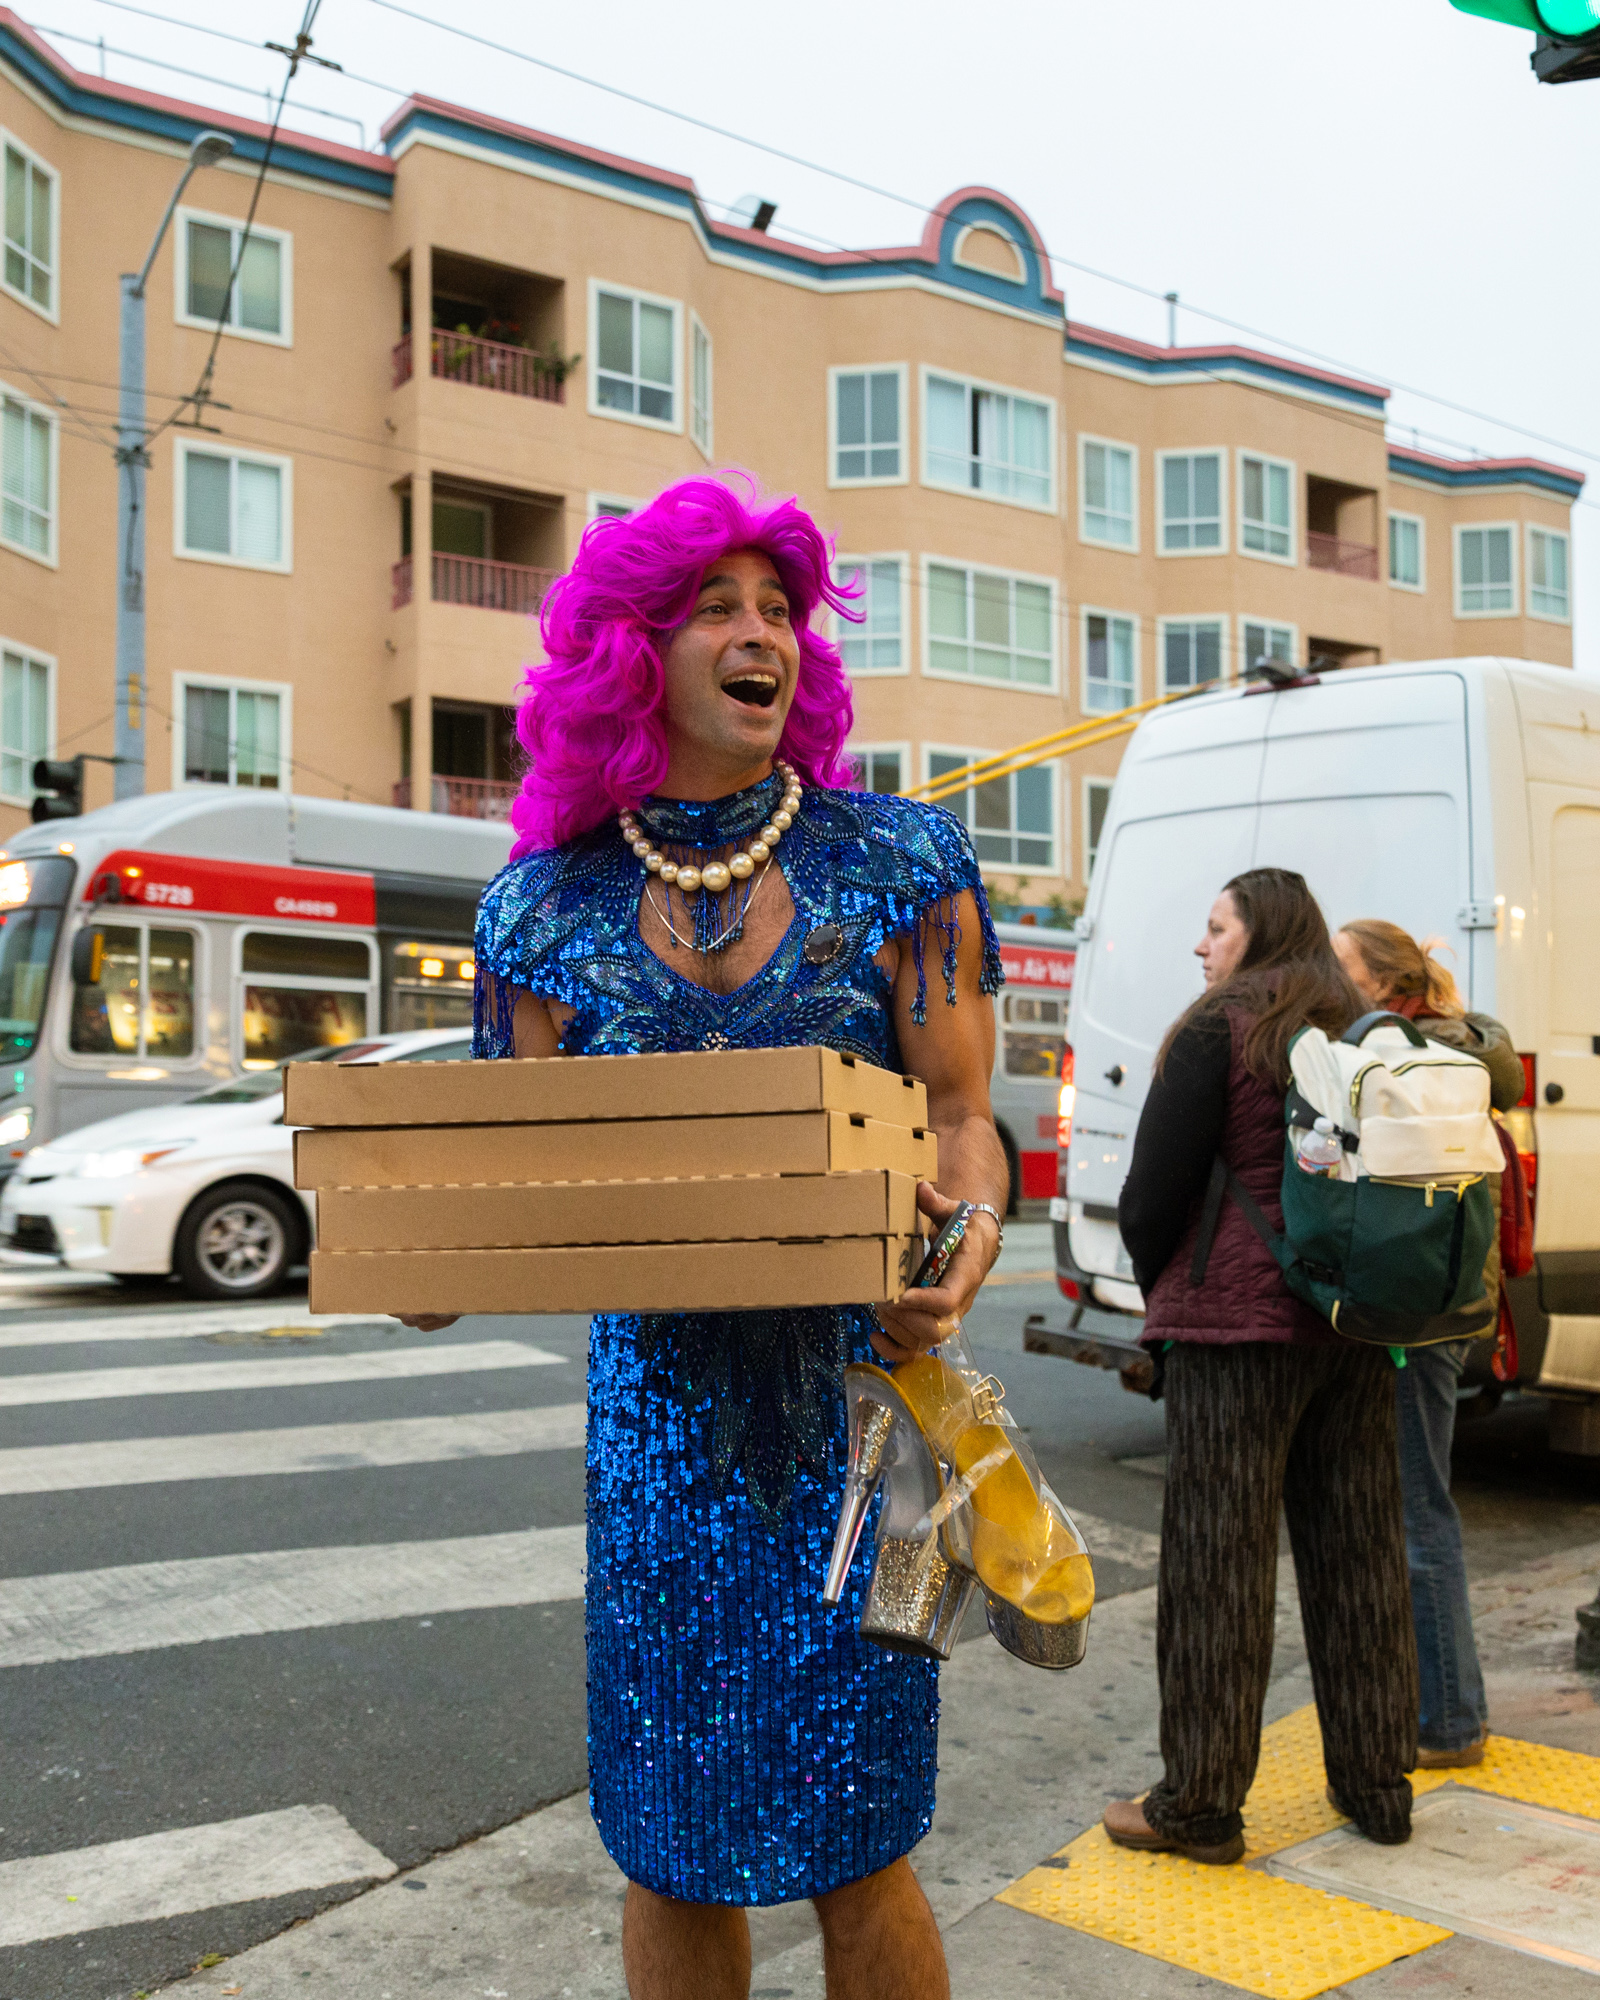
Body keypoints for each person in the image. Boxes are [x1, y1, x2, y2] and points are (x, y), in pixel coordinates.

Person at [404, 476, 1008, 2000]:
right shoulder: (543, 910)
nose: (763, 636)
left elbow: (957, 1116)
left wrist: (959, 1256)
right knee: (668, 1840)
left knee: (862, 1835)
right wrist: (432, 1266)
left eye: (780, 611)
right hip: (657, 1451)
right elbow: (511, 1179)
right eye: (717, 610)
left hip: (856, 1428)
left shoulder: (904, 863)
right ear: (634, 652)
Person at [1104, 869, 1419, 1864]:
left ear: (1259, 931)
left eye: (1215, 926)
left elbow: (1151, 1190)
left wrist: (1168, 1289)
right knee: (1360, 1553)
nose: (1202, 947)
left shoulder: (1223, 1024)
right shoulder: (1358, 1022)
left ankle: (1198, 1804)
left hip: (1234, 1334)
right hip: (1353, 1324)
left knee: (1215, 1567)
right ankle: (1378, 1784)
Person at [1333, 920, 1523, 1770]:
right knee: (1415, 1503)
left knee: (1418, 1509)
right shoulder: (1459, 1048)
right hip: (1446, 1308)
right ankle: (1430, 1702)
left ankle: (1448, 1717)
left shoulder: (1408, 1057)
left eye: (1341, 966)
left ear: (1377, 980)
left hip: (1413, 1319)